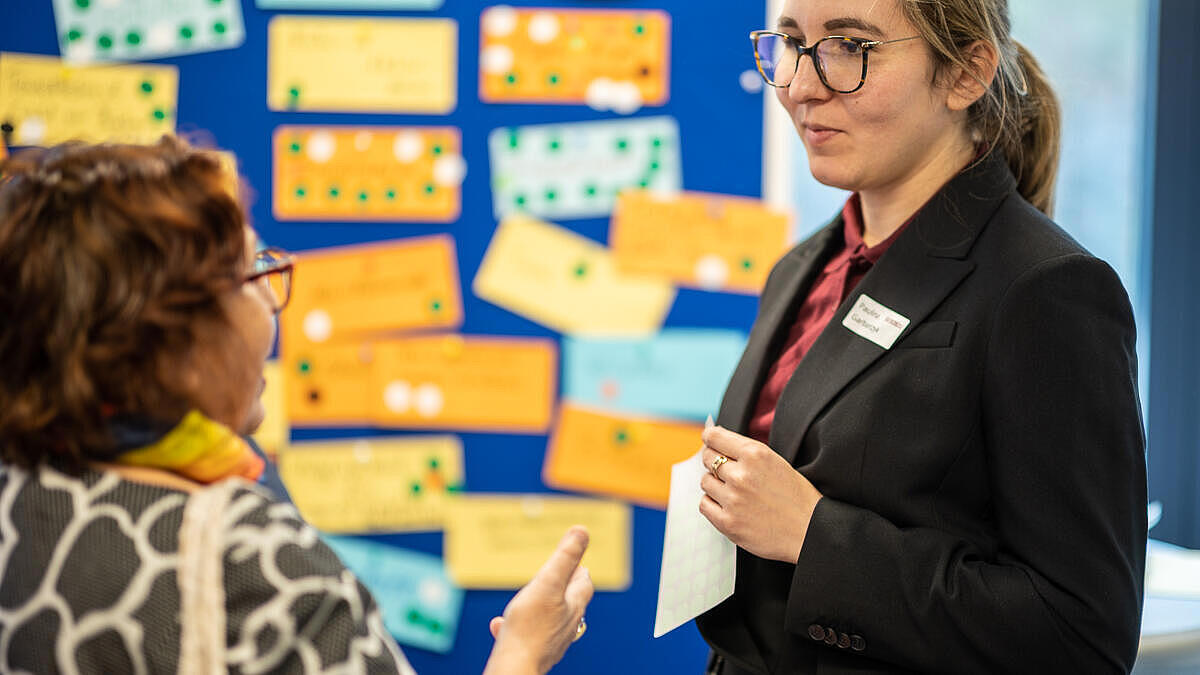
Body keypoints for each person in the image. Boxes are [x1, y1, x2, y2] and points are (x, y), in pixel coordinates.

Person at [0, 137, 593, 674]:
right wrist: (522, 654)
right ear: (168, 336)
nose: (273, 302)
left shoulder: (18, 498)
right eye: (250, 272)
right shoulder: (251, 560)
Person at [694, 1, 1146, 673]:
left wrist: (814, 534)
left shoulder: (1045, 290)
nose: (800, 85)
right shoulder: (804, 267)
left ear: (965, 74)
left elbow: (1081, 634)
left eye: (851, 45)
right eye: (791, 42)